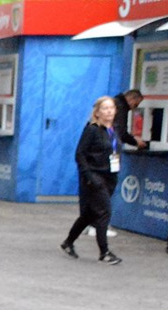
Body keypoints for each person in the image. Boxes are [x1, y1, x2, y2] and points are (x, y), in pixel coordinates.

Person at [60, 96, 123, 265]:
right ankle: (104, 252)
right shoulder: (92, 130)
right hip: (95, 177)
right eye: (105, 108)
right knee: (104, 212)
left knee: (89, 214)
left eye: (111, 108)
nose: (109, 111)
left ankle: (68, 242)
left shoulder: (114, 129)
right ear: (97, 112)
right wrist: (89, 176)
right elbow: (80, 154)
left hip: (110, 176)